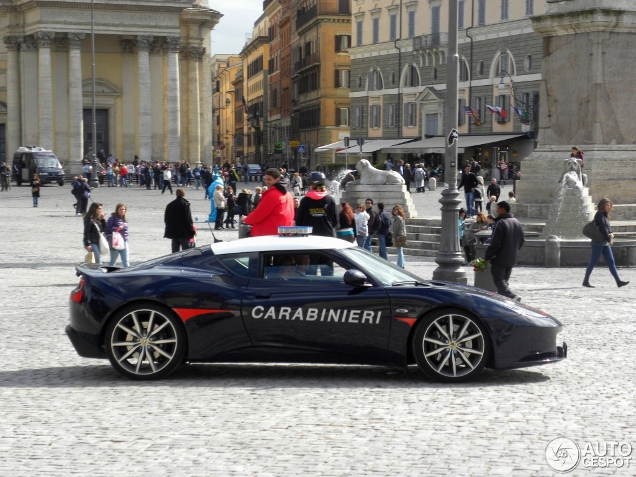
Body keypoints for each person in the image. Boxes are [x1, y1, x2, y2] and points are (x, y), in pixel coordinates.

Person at [583, 198, 629, 288]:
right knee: (593, 262)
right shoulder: (599, 214)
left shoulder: (605, 215)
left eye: (610, 205)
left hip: (603, 242)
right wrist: (609, 240)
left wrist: (610, 232)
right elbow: (603, 229)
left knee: (611, 261)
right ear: (602, 205)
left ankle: (618, 281)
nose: (609, 207)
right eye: (607, 205)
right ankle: (585, 281)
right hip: (598, 243)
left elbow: (607, 227)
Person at [484, 201, 525, 300]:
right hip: (512, 256)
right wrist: (514, 250)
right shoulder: (517, 222)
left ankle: (512, 297)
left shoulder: (501, 223)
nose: (496, 211)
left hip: (500, 257)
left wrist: (488, 257)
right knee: (504, 281)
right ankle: (503, 300)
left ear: (503, 209)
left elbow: (495, 243)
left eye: (498, 208)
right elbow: (522, 240)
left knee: (498, 278)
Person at [243, 168, 295, 236]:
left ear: (277, 179)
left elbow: (259, 214)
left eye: (269, 179)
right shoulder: (288, 194)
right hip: (284, 232)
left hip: (269, 234)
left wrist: (246, 219)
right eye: (265, 179)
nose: (266, 182)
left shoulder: (272, 195)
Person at [295, 171, 339, 237]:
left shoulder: (305, 201)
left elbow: (298, 221)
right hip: (327, 236)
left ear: (311, 185)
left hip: (309, 237)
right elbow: (336, 220)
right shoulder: (330, 200)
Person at [164, 188, 196, 253]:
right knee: (186, 251)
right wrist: (192, 230)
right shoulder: (185, 204)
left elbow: (166, 219)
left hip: (174, 231)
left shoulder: (170, 205)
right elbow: (188, 219)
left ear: (176, 194)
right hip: (184, 232)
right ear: (184, 194)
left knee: (175, 251)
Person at [107, 203, 130, 268]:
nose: (123, 211)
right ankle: (109, 275)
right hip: (115, 241)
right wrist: (116, 228)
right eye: (121, 209)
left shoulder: (124, 219)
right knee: (113, 261)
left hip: (124, 241)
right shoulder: (112, 218)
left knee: (126, 261)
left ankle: (128, 275)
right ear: (117, 210)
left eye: (124, 209)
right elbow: (107, 229)